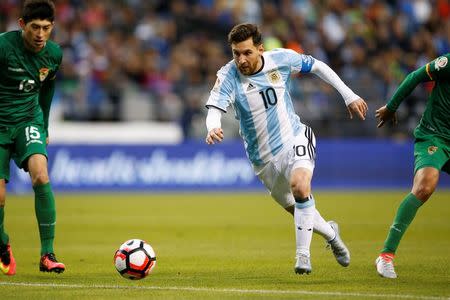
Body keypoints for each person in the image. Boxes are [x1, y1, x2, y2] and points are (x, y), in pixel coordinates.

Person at [205, 23, 368, 274]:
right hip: (262, 159)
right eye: (236, 53)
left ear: (260, 49)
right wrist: (212, 126)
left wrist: (348, 95)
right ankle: (331, 235)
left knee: (301, 187)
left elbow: (317, 66)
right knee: (298, 209)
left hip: (294, 138)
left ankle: (303, 256)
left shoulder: (280, 59)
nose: (241, 59)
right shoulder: (227, 76)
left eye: (247, 52)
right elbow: (215, 108)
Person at [0, 0, 65, 275]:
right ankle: (2, 242)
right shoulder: (3, 46)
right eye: (35, 27)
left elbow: (47, 91)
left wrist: (45, 128)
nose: (40, 34)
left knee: (41, 174)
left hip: (29, 120)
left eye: (46, 28)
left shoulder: (53, 54)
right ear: (22, 25)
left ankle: (47, 254)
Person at [375, 53, 450, 279]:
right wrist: (391, 106)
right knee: (425, 186)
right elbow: (415, 76)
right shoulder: (448, 63)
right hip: (435, 136)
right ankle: (386, 256)